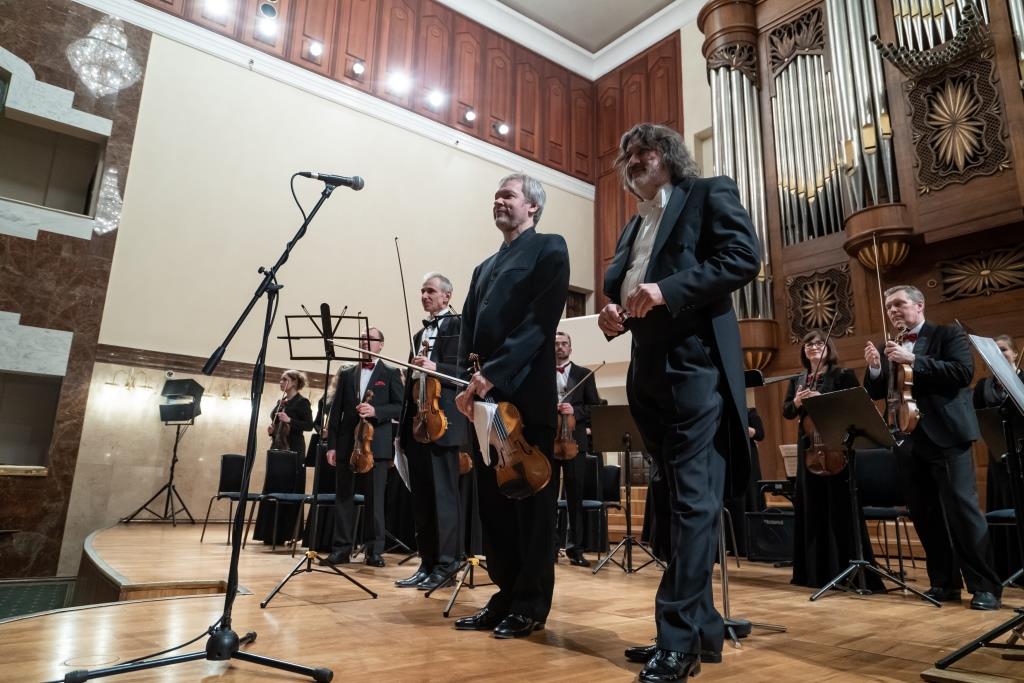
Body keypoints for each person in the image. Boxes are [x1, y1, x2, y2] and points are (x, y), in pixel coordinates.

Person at [598, 123, 760, 681]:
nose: (631, 161)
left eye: (639, 151)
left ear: (666, 155)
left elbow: (743, 258)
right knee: (679, 505)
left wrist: (667, 291)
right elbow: (622, 284)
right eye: (625, 156)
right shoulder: (631, 224)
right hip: (647, 372)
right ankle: (703, 631)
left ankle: (677, 639)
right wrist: (613, 313)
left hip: (695, 367)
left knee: (692, 505)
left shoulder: (709, 192)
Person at [453, 172, 569, 639]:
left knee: (532, 509)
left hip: (525, 399)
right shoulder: (483, 267)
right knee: (494, 508)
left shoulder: (550, 248)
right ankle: (504, 595)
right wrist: (467, 381)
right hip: (485, 403)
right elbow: (467, 329)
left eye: (510, 195)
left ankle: (530, 603)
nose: (499, 200)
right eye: (496, 195)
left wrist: (493, 373)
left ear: (532, 208)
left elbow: (539, 322)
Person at [863, 285, 1001, 610]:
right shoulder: (891, 345)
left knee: (962, 512)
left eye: (899, 304)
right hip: (907, 438)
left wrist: (914, 358)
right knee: (925, 514)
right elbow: (878, 391)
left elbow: (962, 373)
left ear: (919, 305)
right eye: (888, 307)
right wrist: (874, 368)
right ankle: (943, 582)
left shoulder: (947, 335)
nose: (893, 311)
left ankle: (985, 587)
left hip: (947, 434)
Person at [783, 330, 882, 589]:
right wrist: (796, 401)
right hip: (809, 452)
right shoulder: (799, 379)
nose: (813, 347)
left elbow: (853, 405)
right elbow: (786, 411)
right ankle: (815, 573)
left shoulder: (842, 375)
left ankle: (847, 570)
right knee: (812, 508)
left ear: (829, 349)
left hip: (837, 449)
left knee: (839, 507)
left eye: (818, 343)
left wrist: (822, 400)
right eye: (808, 344)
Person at [395, 273, 468, 590]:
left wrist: (436, 368)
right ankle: (426, 563)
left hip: (445, 422)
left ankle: (448, 565)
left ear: (446, 297)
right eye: (422, 290)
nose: (424, 295)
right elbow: (412, 383)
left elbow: (468, 372)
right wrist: (402, 427)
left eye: (430, 291)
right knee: (422, 499)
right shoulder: (418, 335)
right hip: (418, 424)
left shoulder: (459, 326)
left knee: (443, 499)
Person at [322, 328, 403, 567]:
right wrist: (332, 445)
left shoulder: (390, 372)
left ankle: (374, 551)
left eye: (371, 340)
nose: (365, 342)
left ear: (381, 345)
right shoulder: (347, 373)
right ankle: (341, 550)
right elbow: (336, 411)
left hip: (375, 445)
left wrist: (376, 411)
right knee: (344, 498)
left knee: (375, 500)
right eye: (362, 339)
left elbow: (400, 407)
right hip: (347, 444)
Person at [972, 334, 1022, 582]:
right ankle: (1007, 567)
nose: (1000, 353)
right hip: (999, 457)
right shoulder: (983, 386)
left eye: (1004, 349)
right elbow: (977, 417)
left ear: (1014, 352)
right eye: (995, 350)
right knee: (1004, 505)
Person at [554, 330, 601, 567]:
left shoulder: (584, 374)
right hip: (549, 443)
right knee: (547, 498)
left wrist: (575, 411)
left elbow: (594, 407)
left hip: (574, 443)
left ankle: (576, 549)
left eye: (564, 344)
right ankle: (550, 548)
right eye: (556, 344)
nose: (560, 347)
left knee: (575, 498)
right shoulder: (542, 374)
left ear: (570, 348)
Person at [252, 369, 312, 546]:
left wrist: (289, 420)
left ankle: (286, 532)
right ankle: (269, 532)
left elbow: (308, 426)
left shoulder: (302, 402)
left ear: (294, 382)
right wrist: (273, 431)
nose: (281, 382)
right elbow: (278, 424)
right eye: (280, 379)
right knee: (273, 487)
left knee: (289, 488)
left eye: (284, 379)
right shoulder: (281, 402)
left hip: (293, 450)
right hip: (278, 448)